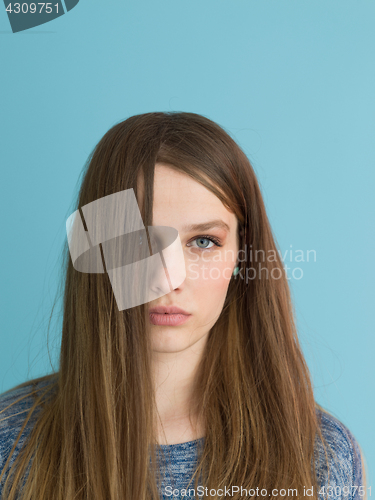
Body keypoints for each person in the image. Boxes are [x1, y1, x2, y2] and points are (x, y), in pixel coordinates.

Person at [0, 112, 367, 500]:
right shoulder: (11, 441)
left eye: (204, 241)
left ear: (242, 256)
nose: (168, 277)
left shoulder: (322, 457)